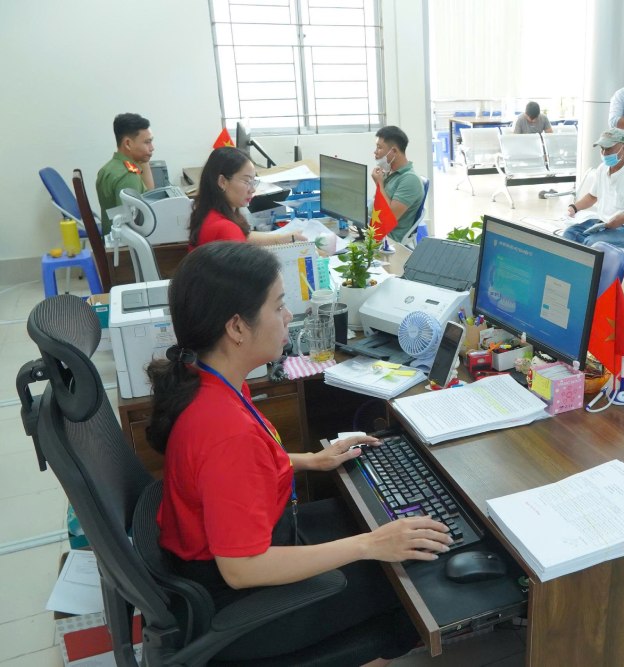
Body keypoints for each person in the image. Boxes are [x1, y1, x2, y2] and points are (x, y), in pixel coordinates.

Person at [148, 241, 452, 663]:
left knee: (375, 523)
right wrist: (369, 545)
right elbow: (242, 569)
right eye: (278, 306)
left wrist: (310, 461)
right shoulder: (225, 432)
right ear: (236, 327)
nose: (288, 317)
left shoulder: (207, 379)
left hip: (240, 549)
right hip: (242, 605)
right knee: (416, 576)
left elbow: (225, 476)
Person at [188, 147, 304, 249]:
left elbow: (245, 236)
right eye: (247, 181)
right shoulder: (225, 228)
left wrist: (284, 238)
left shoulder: (209, 214)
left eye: (253, 181)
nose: (252, 190)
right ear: (222, 182)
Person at [561, 128, 624, 249]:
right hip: (603, 223)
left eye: (609, 148)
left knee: (592, 245)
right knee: (569, 235)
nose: (604, 153)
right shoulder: (603, 168)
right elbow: (592, 196)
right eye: (602, 148)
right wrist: (574, 208)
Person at [96, 113, 155, 234]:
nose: (152, 147)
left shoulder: (110, 167)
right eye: (147, 142)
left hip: (112, 240)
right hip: (124, 248)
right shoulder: (128, 176)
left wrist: (143, 158)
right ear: (128, 144)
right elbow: (131, 226)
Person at [371, 125, 424, 243]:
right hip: (372, 229)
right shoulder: (389, 172)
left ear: (394, 151)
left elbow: (389, 217)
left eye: (379, 148)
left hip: (387, 240)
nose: (375, 152)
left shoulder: (410, 180)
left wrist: (379, 184)